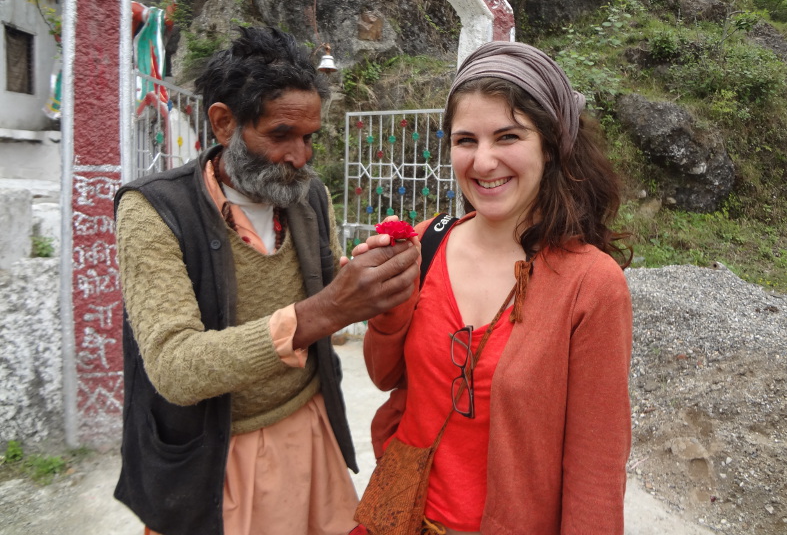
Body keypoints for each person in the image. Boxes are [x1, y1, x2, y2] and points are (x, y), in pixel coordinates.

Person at [113, 26, 419, 535]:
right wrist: (326, 310)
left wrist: (364, 285)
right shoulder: (153, 211)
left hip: (309, 426)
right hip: (211, 460)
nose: (300, 157)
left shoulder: (307, 195)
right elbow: (174, 367)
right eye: (280, 135)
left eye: (309, 139)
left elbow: (330, 304)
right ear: (224, 123)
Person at [360, 41, 633, 534]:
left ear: (552, 145)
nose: (483, 162)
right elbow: (385, 377)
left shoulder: (590, 284)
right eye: (466, 140)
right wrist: (383, 301)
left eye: (507, 137)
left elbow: (596, 468)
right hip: (398, 516)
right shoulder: (427, 241)